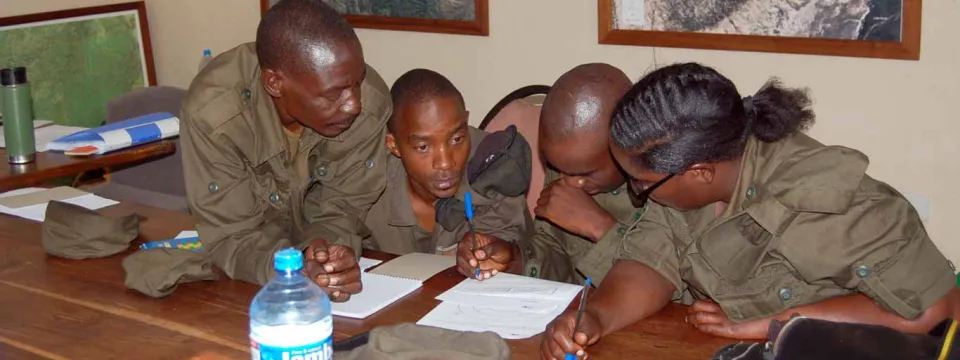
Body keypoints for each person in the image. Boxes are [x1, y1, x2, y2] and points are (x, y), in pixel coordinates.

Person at [540, 62, 960, 359]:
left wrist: (774, 322)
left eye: (641, 184)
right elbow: (650, 260)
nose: (635, 193)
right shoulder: (690, 174)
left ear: (700, 172)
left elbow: (934, 310)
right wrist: (594, 317)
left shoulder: (820, 202)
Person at [179, 0, 392, 302]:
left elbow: (344, 207)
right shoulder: (215, 115)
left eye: (357, 83)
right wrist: (291, 269)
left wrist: (325, 251)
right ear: (275, 83)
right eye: (334, 93)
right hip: (247, 287)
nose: (353, 104)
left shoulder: (369, 106)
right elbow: (232, 235)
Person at [455, 63, 665, 285]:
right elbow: (555, 251)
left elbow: (670, 291)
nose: (568, 182)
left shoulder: (666, 185)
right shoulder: (567, 166)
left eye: (585, 173)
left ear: (626, 146)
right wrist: (514, 260)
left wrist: (600, 227)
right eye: (556, 167)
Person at [361, 68, 531, 261]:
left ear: (465, 123)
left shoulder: (497, 166)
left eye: (457, 139)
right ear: (394, 145)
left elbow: (512, 256)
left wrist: (491, 258)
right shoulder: (367, 179)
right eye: (423, 147)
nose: (445, 163)